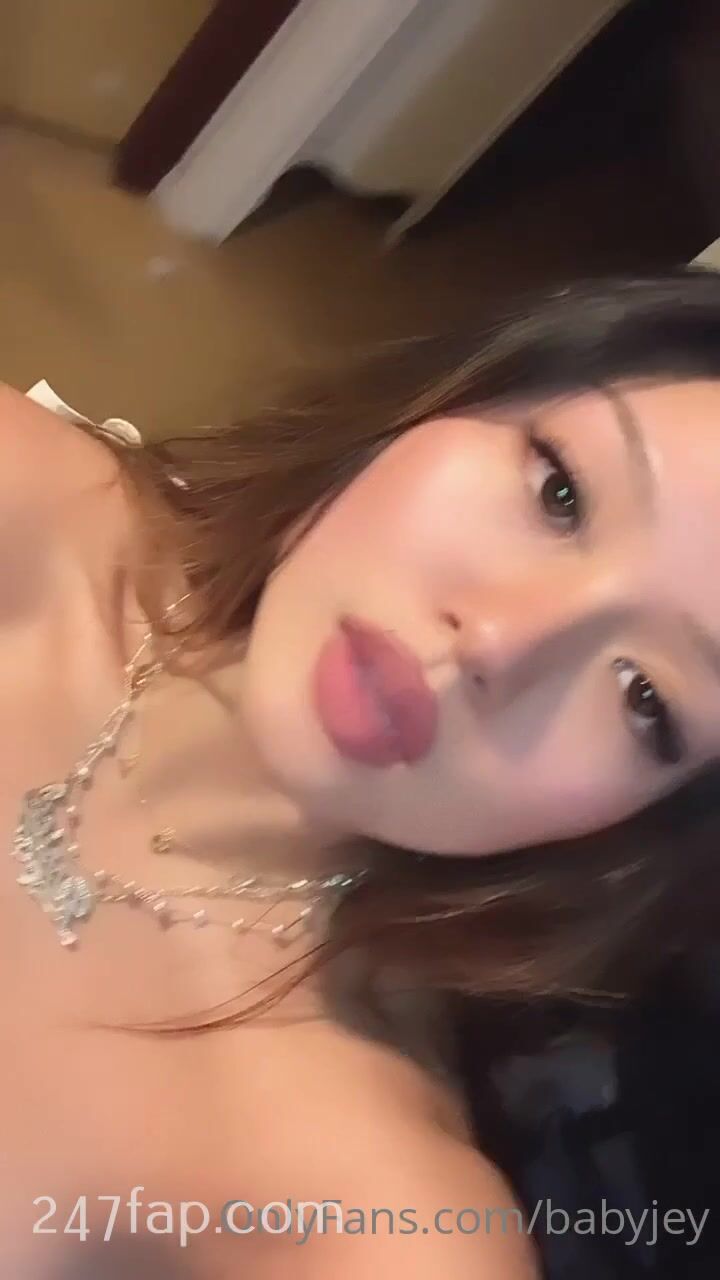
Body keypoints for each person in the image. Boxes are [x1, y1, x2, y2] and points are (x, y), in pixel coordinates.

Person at [4, 268, 720, 1280]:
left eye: (647, 697)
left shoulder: (376, 1218)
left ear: (644, 832)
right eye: (559, 492)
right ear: (456, 395)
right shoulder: (30, 501)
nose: (501, 638)